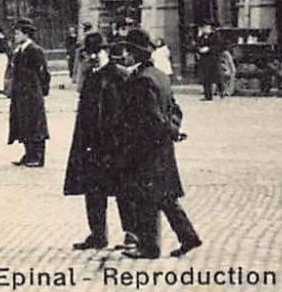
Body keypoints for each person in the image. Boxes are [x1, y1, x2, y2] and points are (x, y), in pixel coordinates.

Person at [116, 28, 200, 260]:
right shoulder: (160, 75)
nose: (124, 56)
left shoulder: (141, 80)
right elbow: (175, 109)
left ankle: (149, 247)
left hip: (145, 149)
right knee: (165, 197)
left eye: (127, 51)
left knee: (146, 198)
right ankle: (188, 237)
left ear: (134, 54)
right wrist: (174, 130)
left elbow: (151, 116)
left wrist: (167, 131)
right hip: (162, 149)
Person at [64, 31, 131, 250]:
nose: (92, 57)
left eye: (97, 52)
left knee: (123, 191)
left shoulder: (120, 76)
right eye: (88, 53)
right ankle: (98, 235)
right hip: (92, 145)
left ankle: (131, 234)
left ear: (106, 52)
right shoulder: (90, 78)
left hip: (116, 144)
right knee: (93, 191)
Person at [8, 20, 51, 167]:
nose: (15, 36)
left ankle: (38, 156)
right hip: (20, 93)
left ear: (26, 34)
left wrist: (40, 90)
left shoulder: (34, 50)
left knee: (35, 123)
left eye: (18, 33)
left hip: (32, 92)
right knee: (23, 122)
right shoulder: (19, 50)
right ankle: (28, 153)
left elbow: (43, 72)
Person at [195, 23, 219, 101]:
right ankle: (207, 95)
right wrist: (199, 36)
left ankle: (216, 92)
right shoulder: (202, 37)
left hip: (211, 59)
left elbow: (218, 46)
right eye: (203, 28)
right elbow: (197, 45)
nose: (204, 29)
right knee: (204, 78)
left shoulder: (215, 36)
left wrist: (209, 49)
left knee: (212, 77)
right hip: (203, 59)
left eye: (206, 28)